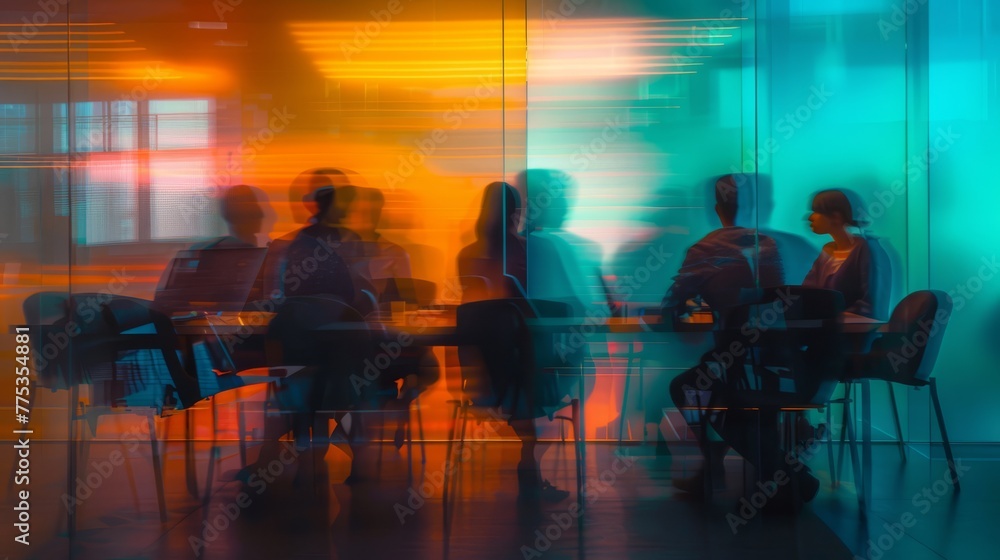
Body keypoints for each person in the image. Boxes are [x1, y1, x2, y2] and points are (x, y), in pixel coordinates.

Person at [666, 175, 822, 509]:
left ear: (717, 209)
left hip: (741, 367)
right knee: (730, 393)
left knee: (689, 388)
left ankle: (766, 472)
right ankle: (768, 471)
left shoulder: (705, 248)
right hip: (791, 367)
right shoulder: (775, 246)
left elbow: (672, 303)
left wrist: (694, 304)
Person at [802, 189, 889, 320]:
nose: (810, 217)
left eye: (817, 212)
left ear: (836, 217)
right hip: (826, 331)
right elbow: (807, 292)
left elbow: (870, 305)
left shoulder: (867, 249)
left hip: (855, 334)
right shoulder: (828, 251)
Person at [457, 181, 527, 301]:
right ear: (515, 213)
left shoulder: (466, 254)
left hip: (477, 319)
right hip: (513, 318)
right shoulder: (525, 250)